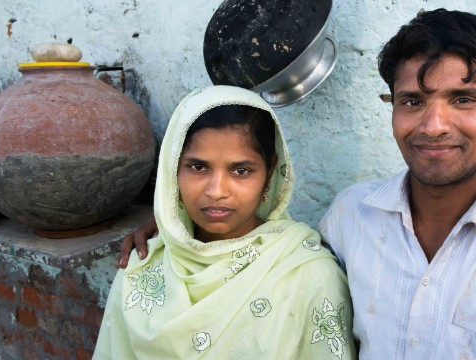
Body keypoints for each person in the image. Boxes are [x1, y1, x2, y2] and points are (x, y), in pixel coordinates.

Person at [117, 8, 476, 360]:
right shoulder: (350, 218)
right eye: (413, 101)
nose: (434, 125)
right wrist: (173, 235)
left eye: (463, 99)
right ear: (394, 108)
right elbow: (274, 266)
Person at [95, 85, 356, 359]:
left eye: (241, 170)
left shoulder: (308, 274)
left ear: (268, 173)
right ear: (173, 169)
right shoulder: (141, 266)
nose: (217, 191)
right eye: (198, 167)